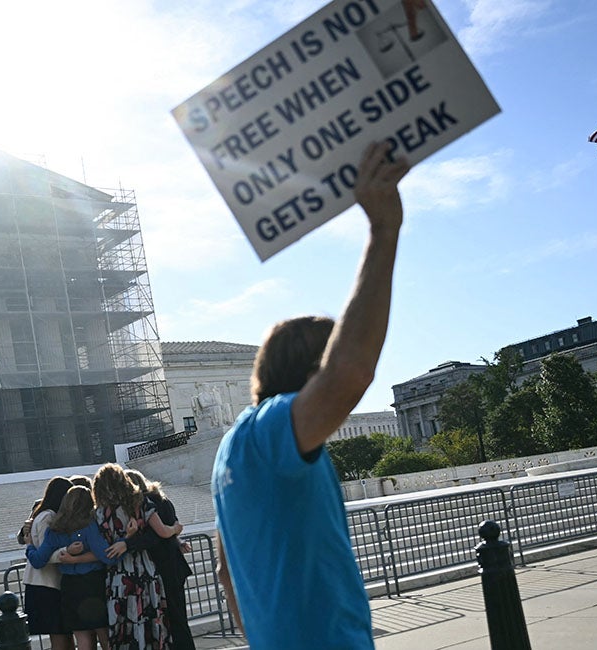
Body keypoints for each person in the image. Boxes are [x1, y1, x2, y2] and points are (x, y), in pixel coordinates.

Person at [211, 141, 410, 649]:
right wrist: (383, 230)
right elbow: (349, 373)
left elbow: (225, 569)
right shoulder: (273, 427)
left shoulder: (233, 450)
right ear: (309, 372)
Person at [28, 485, 120, 650]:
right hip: (93, 583)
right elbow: (107, 556)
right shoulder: (89, 526)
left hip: (69, 586)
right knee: (104, 632)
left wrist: (29, 547)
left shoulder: (54, 529)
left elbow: (38, 561)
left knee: (82, 635)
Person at [92, 463, 168, 650]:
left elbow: (104, 548)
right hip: (144, 569)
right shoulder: (140, 503)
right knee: (149, 619)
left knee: (122, 622)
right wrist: (175, 529)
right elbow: (160, 531)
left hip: (118, 575)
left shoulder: (99, 513)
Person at [116, 470, 193, 650]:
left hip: (162, 566)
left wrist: (128, 542)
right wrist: (176, 533)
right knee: (178, 617)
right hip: (174, 564)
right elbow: (173, 525)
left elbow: (155, 536)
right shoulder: (163, 500)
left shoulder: (146, 505)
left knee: (172, 618)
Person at [23, 477, 78, 650]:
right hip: (46, 585)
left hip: (42, 583)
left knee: (63, 635)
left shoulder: (41, 513)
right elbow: (44, 552)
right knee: (60, 636)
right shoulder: (48, 517)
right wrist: (67, 552)